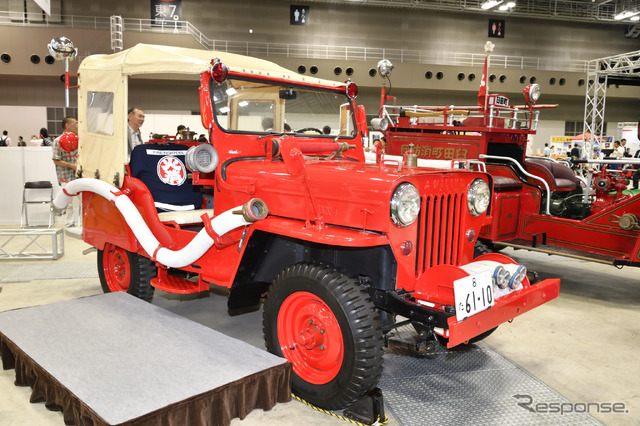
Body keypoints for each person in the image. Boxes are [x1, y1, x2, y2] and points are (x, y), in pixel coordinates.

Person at [52, 116, 80, 228]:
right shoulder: (58, 141)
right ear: (67, 125)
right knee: (69, 201)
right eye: (75, 124)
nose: (77, 126)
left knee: (80, 200)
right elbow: (56, 160)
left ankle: (81, 223)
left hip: (78, 175)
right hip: (66, 176)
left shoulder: (78, 140)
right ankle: (69, 223)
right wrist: (72, 166)